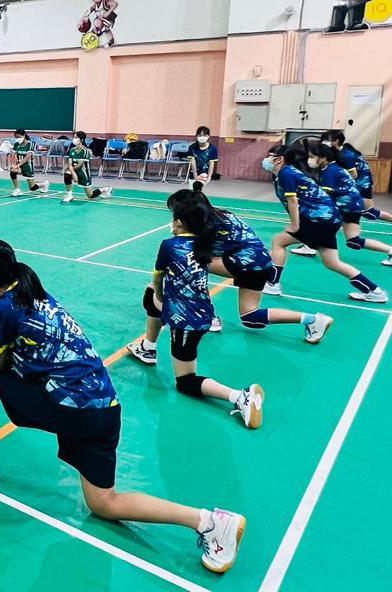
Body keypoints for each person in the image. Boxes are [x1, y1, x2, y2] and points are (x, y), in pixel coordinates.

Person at [0, 239, 246, 574]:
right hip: (105, 407)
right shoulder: (34, 291)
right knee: (104, 503)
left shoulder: (4, 308)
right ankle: (210, 522)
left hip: (73, 409)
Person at [129, 190, 333, 364]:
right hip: (261, 262)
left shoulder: (203, 226)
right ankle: (313, 319)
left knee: (188, 265)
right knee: (250, 316)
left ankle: (162, 340)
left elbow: (186, 253)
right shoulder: (220, 214)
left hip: (247, 263)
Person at [130, 194, 266, 427]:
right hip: (204, 315)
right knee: (151, 297)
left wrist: (160, 298)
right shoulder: (205, 246)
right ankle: (148, 348)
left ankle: (239, 396)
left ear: (179, 222)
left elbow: (157, 279)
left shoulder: (169, 245)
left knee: (185, 382)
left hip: (185, 321)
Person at [261, 145, 386, 302]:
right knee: (332, 262)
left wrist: (295, 225)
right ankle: (374, 291)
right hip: (328, 219)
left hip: (320, 220)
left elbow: (293, 201)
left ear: (280, 159)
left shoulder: (287, 173)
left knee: (279, 241)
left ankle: (272, 284)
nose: (266, 159)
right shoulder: (282, 174)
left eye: (269, 155)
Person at [289, 142, 392, 265]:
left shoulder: (331, 171)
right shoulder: (331, 168)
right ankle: (390, 250)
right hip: (352, 206)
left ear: (323, 158)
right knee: (354, 241)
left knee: (316, 220)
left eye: (312, 157)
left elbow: (325, 193)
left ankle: (309, 247)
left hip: (347, 207)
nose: (309, 160)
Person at [321, 129, 391, 223]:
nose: (323, 142)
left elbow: (353, 175)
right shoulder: (340, 151)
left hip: (362, 185)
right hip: (358, 184)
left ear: (336, 141)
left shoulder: (347, 155)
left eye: (326, 140)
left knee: (369, 212)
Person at [62, 130, 111, 203]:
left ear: (82, 139)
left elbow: (79, 165)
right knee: (67, 173)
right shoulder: (72, 150)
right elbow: (70, 163)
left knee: (90, 195)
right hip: (74, 170)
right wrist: (73, 173)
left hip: (84, 173)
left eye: (76, 137)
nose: (74, 139)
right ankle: (69, 195)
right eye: (74, 137)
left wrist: (73, 172)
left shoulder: (85, 151)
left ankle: (106, 189)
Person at [8, 129, 49, 197]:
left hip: (28, 167)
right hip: (20, 166)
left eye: (19, 137)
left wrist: (17, 165)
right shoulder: (17, 144)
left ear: (24, 135)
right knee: (12, 172)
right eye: (16, 137)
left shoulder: (31, 144)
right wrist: (12, 164)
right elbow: (12, 154)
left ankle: (44, 184)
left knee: (32, 188)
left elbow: (28, 157)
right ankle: (17, 190)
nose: (17, 139)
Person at [188, 126, 218, 190]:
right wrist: (195, 176)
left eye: (204, 135)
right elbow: (193, 163)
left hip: (204, 174)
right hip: (193, 174)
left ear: (208, 136)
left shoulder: (212, 148)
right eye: (200, 135)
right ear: (196, 136)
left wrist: (209, 177)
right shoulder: (192, 147)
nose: (202, 137)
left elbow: (212, 163)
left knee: (198, 191)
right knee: (191, 191)